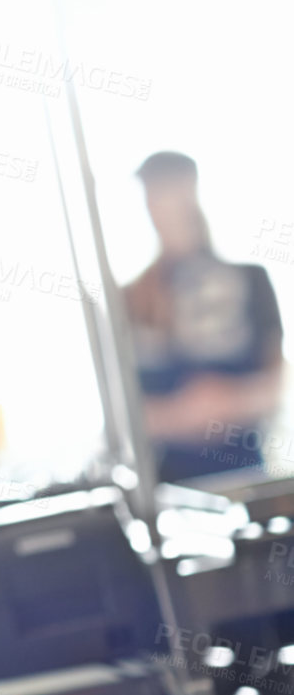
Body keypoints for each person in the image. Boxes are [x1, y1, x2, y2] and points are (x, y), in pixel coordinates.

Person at [122, 151, 284, 484]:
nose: (164, 205)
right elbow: (126, 412)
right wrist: (183, 414)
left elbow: (276, 385)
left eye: (170, 190)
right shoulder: (132, 299)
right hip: (171, 489)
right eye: (155, 194)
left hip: (247, 479)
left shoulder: (250, 279)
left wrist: (230, 401)